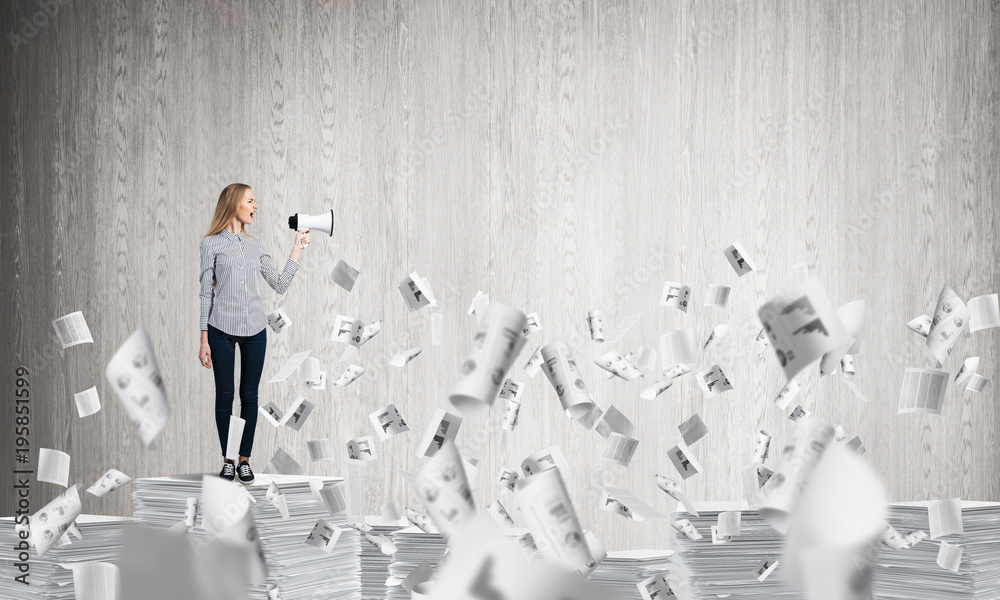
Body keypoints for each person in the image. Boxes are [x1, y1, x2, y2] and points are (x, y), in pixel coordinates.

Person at [198, 183, 310, 484]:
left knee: (249, 396)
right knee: (224, 397)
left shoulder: (255, 245)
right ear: (235, 204)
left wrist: (297, 248)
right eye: (251, 201)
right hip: (220, 330)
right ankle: (228, 459)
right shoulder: (210, 244)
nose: (256, 206)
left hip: (255, 331)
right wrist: (203, 338)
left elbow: (279, 284)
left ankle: (244, 460)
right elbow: (205, 294)